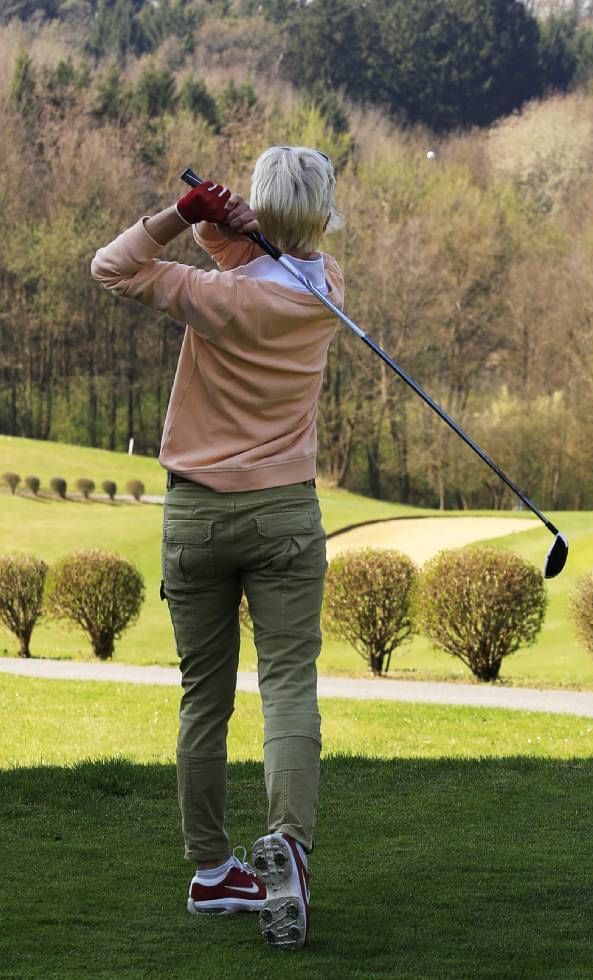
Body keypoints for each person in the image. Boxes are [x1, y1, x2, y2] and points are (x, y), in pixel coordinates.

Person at [91, 146, 345, 951]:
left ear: (264, 212)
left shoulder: (214, 298)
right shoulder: (328, 287)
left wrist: (184, 215)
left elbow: (113, 267)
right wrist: (240, 226)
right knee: (287, 690)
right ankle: (290, 853)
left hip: (197, 518)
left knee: (205, 698)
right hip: (283, 515)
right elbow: (272, 257)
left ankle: (211, 871)